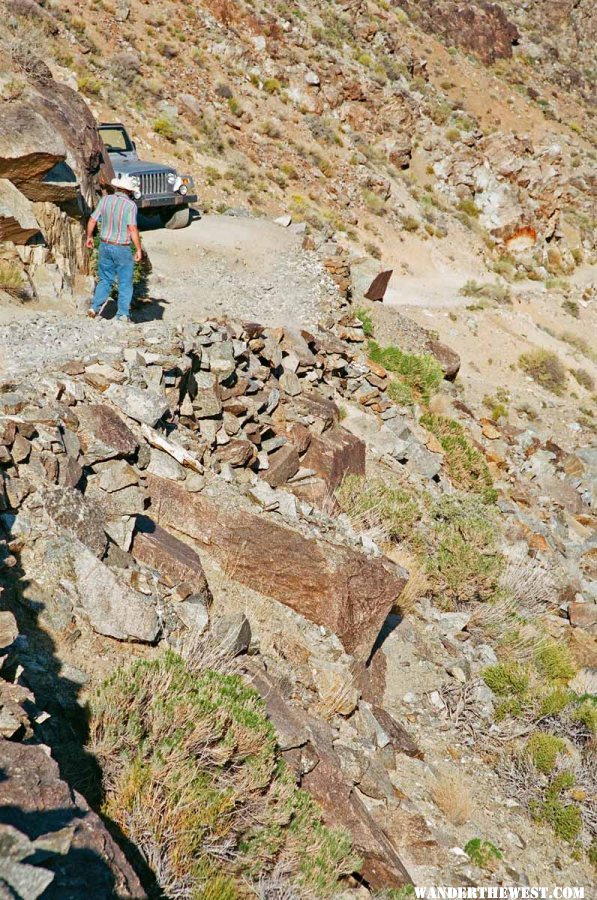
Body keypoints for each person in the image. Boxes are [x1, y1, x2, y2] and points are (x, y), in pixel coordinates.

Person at [86, 175, 142, 321]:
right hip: (121, 247)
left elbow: (92, 220)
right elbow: (132, 228)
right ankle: (122, 314)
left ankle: (94, 307)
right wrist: (138, 249)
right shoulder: (130, 206)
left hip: (105, 245)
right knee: (125, 282)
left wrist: (89, 237)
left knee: (105, 279)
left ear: (117, 188)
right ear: (129, 191)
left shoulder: (105, 200)